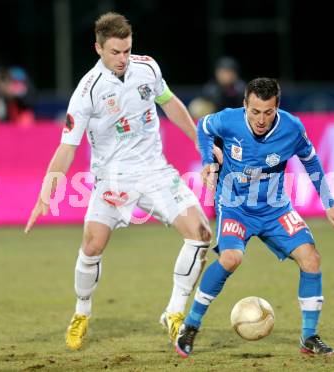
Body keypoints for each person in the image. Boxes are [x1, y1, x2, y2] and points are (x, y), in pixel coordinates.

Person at [24, 12, 213, 350]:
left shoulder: (148, 68)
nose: (123, 59)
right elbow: (67, 147)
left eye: (127, 50)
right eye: (115, 52)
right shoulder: (87, 91)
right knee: (92, 246)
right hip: (112, 179)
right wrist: (46, 191)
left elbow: (171, 105)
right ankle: (81, 314)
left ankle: (173, 313)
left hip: (156, 171)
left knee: (201, 236)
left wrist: (202, 143)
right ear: (98, 48)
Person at [175, 78, 334, 358]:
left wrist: (330, 204)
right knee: (231, 258)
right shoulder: (228, 120)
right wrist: (209, 159)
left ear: (277, 108)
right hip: (234, 206)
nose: (260, 119)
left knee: (311, 259)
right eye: (254, 111)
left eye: (268, 112)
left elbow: (311, 161)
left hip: (275, 209)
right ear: (244, 105)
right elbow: (203, 127)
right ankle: (190, 326)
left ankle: (309, 337)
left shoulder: (291, 128)